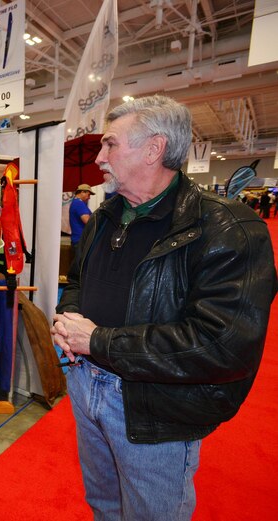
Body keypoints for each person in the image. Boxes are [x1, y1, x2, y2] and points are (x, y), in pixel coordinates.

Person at [51, 95, 276, 520]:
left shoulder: (228, 228)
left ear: (154, 149)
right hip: (85, 382)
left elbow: (222, 344)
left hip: (155, 407)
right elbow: (79, 280)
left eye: (110, 145)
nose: (99, 158)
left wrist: (97, 340)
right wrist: (67, 320)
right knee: (103, 505)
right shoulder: (105, 216)